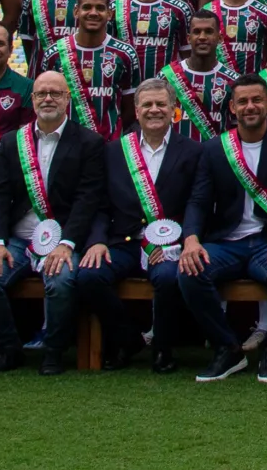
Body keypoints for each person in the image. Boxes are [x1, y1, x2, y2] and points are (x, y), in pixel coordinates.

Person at [178, 74, 267, 383]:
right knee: (188, 272)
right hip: (226, 242)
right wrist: (191, 240)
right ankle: (228, 349)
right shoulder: (214, 149)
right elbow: (198, 200)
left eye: (256, 100)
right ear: (232, 109)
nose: (250, 107)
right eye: (242, 102)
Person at [0, 70, 105, 375]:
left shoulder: (89, 142)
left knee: (61, 282)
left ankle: (54, 351)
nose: (48, 99)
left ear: (67, 98)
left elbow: (88, 199)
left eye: (55, 93)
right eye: (42, 93)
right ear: (31, 99)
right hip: (19, 239)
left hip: (64, 239)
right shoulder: (10, 143)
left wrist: (67, 244)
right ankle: (8, 349)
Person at [80, 79, 203, 374]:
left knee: (169, 277)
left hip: (168, 246)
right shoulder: (113, 151)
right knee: (88, 276)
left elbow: (196, 203)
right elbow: (99, 204)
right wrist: (96, 240)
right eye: (147, 104)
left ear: (174, 109)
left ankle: (163, 348)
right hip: (124, 241)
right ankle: (127, 340)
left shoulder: (194, 151)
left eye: (161, 104)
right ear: (136, 110)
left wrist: (184, 242)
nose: (154, 110)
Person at [43, 0, 133, 140]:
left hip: (109, 146)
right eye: (87, 7)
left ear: (110, 14)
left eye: (100, 8)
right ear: (76, 11)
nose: (93, 13)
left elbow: (129, 107)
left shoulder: (124, 54)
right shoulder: (54, 54)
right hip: (66, 145)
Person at [161, 8, 238, 139]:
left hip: (216, 157)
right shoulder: (167, 77)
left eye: (209, 32)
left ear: (219, 38)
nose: (202, 37)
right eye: (197, 32)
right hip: (178, 157)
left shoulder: (233, 80)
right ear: (189, 38)